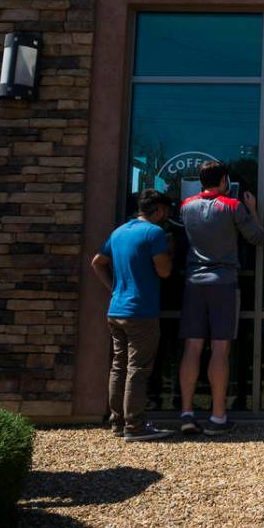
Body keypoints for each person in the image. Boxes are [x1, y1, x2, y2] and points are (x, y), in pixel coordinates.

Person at [178, 161, 263, 435]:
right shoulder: (232, 205)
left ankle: (187, 413)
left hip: (193, 281)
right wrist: (253, 209)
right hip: (223, 282)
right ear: (224, 180)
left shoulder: (186, 206)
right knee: (219, 349)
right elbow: (257, 237)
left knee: (192, 347)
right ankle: (217, 417)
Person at [91, 189, 175, 442]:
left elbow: (97, 262)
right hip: (141, 312)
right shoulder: (155, 233)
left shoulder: (119, 232)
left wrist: (114, 288)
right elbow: (164, 272)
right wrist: (170, 250)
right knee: (137, 369)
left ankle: (117, 422)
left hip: (116, 309)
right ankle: (135, 425)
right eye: (166, 212)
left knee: (119, 366)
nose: (166, 217)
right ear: (159, 210)